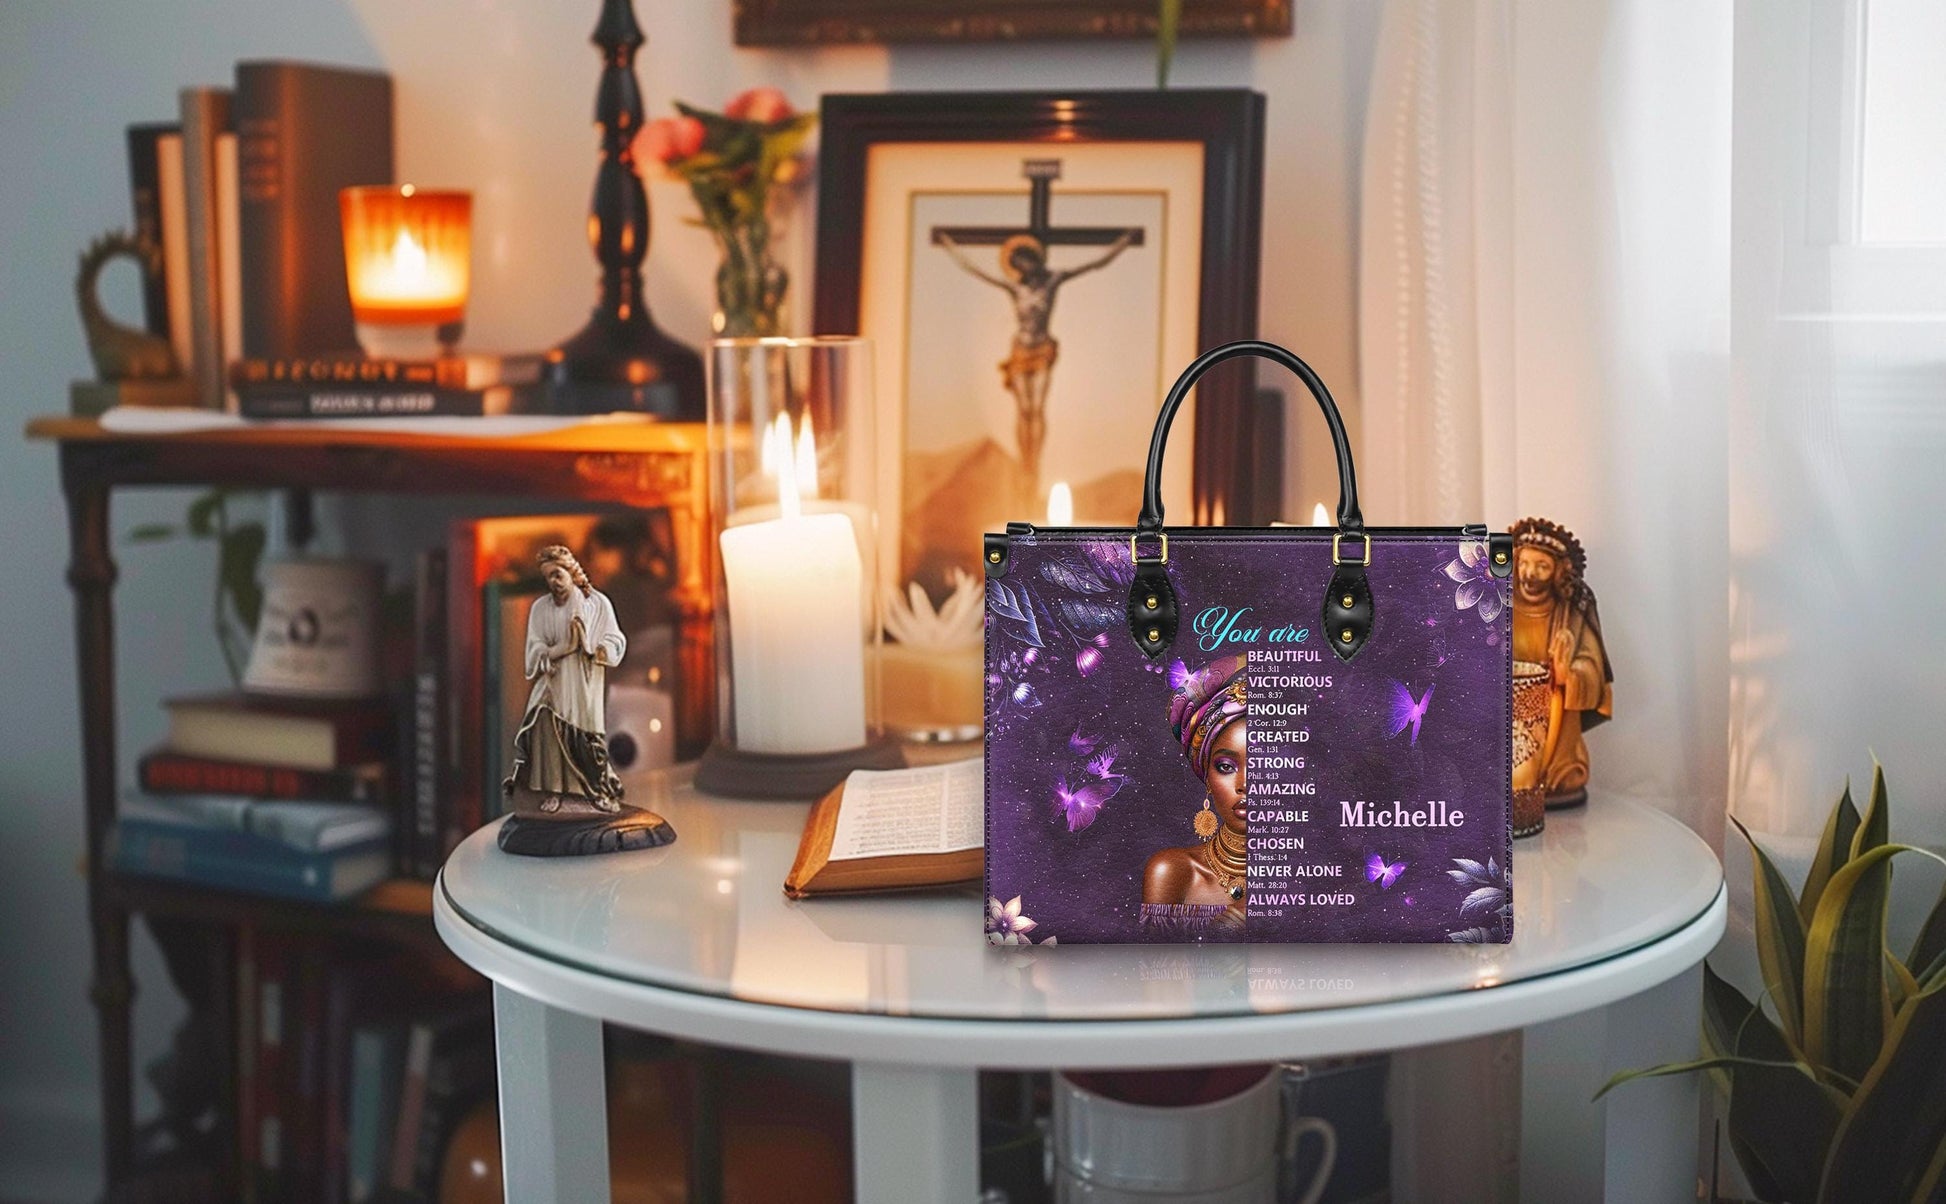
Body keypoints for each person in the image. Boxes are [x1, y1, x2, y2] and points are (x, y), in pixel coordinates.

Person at [935, 229, 1139, 495]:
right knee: (1023, 410)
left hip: (1042, 350)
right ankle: (1026, 461)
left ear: (1035, 259)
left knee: (1037, 408)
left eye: (1027, 261)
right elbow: (976, 271)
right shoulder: (1015, 287)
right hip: (1021, 351)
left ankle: (1035, 459)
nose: (1024, 267)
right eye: (1018, 264)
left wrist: (1122, 244)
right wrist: (950, 246)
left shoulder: (1052, 280)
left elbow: (1094, 264)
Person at [504, 545, 628, 815]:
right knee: (546, 732)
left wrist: (595, 648)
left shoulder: (596, 604)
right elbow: (534, 648)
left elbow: (615, 639)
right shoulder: (540, 609)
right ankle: (554, 792)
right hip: (553, 686)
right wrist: (559, 649)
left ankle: (596, 793)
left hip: (583, 688)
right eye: (548, 577)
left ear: (572, 572)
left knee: (586, 741)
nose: (553, 582)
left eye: (558, 574)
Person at [1509, 517, 1611, 807]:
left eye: (1542, 566)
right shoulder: (1500, 602)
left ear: (1558, 571)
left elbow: (1593, 668)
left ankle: (1544, 779)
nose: (1530, 574)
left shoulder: (1571, 610)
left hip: (1554, 718)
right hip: (1510, 712)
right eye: (1524, 563)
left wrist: (1569, 672)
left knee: (1561, 776)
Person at [1143, 655, 1250, 931]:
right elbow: (1154, 959)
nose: (1245, 784)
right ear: (1207, 778)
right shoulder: (1173, 872)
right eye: (1226, 767)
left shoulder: (1315, 878)